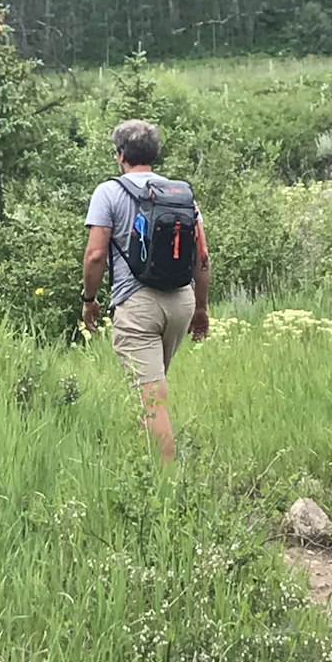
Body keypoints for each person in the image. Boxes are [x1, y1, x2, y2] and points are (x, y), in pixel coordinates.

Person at [82, 119, 210, 463]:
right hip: (181, 301)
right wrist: (200, 308)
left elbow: (95, 255)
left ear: (120, 155)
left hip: (137, 306)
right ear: (154, 154)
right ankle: (146, 460)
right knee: (152, 390)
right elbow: (202, 256)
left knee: (152, 399)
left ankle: (168, 485)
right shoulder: (180, 193)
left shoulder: (109, 192)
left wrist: (89, 300)